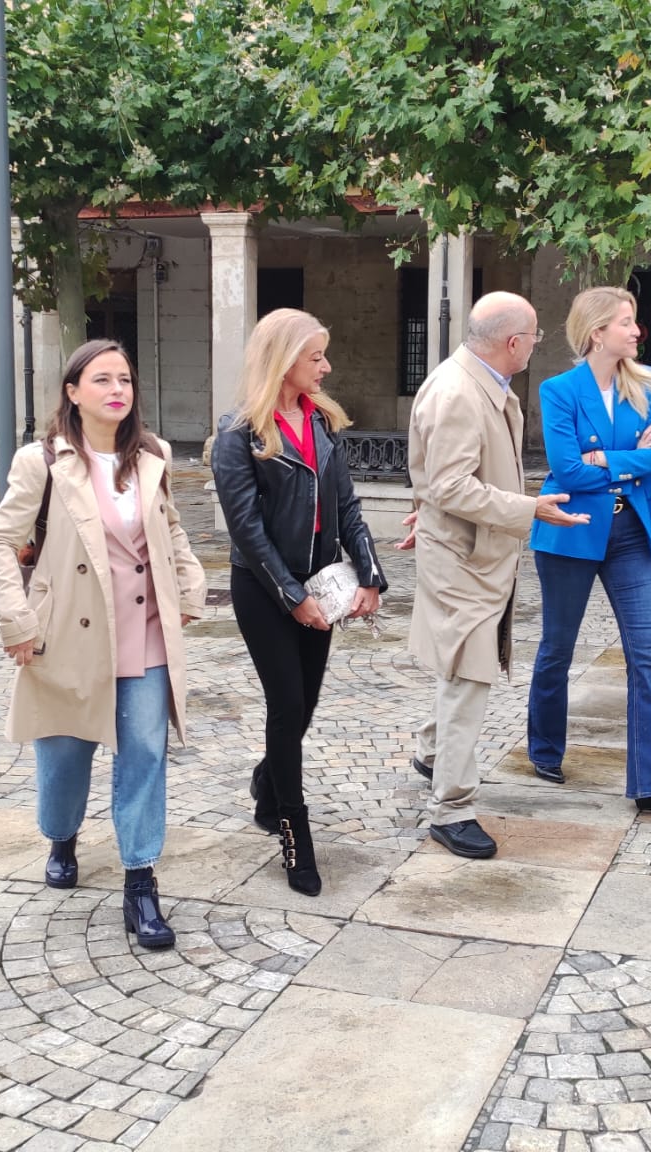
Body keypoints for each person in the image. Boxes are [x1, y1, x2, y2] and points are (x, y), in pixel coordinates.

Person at [0, 339, 207, 948]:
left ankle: (140, 883)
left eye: (125, 379)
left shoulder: (151, 456)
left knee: (144, 756)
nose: (117, 390)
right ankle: (62, 836)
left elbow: (172, 528)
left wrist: (189, 585)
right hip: (71, 632)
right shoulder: (42, 462)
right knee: (64, 759)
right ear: (73, 393)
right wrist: (18, 621)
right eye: (101, 379)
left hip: (146, 632)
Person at [404, 292, 587, 859]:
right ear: (513, 342)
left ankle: (434, 752)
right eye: (533, 337)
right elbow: (451, 485)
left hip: (471, 553)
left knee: (459, 666)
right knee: (468, 676)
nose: (535, 346)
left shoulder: (476, 381)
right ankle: (451, 808)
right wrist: (530, 508)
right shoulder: (460, 391)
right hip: (464, 559)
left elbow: (443, 482)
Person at [211, 308, 386, 896]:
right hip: (263, 590)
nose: (326, 366)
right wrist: (291, 599)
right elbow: (247, 532)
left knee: (303, 709)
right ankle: (295, 835)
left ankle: (267, 784)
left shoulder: (323, 424)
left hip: (322, 586)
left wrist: (371, 578)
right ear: (283, 359)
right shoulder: (238, 435)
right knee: (286, 707)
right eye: (316, 356)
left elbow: (350, 510)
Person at [527, 287, 651, 815]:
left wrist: (605, 457)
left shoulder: (645, 387)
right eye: (626, 322)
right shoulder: (558, 390)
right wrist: (629, 459)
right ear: (597, 331)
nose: (636, 331)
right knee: (558, 647)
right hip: (571, 531)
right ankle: (545, 748)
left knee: (647, 657)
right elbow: (566, 468)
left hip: (631, 535)